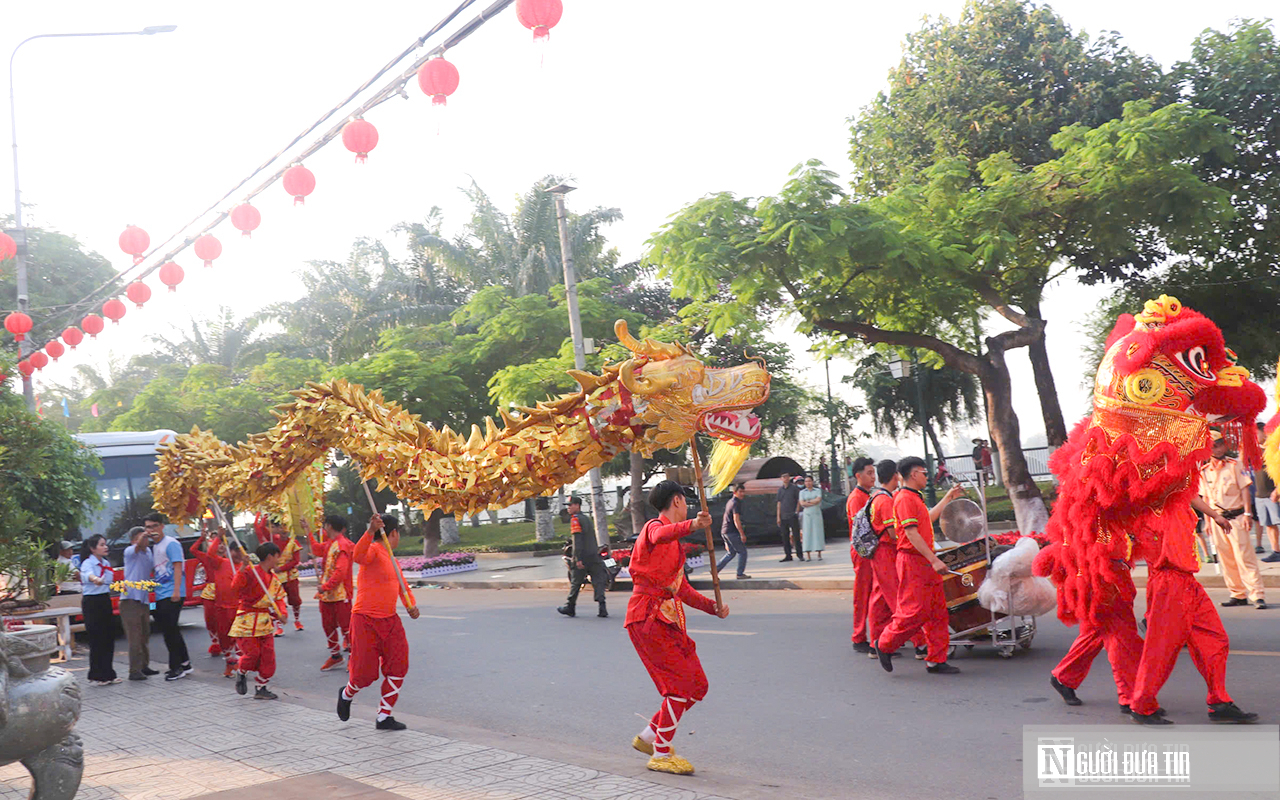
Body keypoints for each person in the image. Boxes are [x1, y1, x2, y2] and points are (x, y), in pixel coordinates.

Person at [625, 481, 730, 776]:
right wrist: (693, 524)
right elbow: (662, 533)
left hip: (666, 619)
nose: (687, 506)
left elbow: (681, 589)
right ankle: (660, 752)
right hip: (648, 617)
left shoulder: (673, 546)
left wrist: (713, 608)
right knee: (679, 687)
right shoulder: (654, 528)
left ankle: (648, 737)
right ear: (677, 501)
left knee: (697, 685)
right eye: (685, 502)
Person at [1128, 497, 1257, 724]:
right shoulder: (1151, 501)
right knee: (1162, 648)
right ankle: (1141, 705)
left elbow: (1188, 492)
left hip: (1187, 581)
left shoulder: (1178, 493)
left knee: (1215, 639)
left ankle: (1219, 701)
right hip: (1169, 584)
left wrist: (1215, 515)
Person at [877, 457, 965, 675]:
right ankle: (884, 644)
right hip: (913, 561)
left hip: (923, 560)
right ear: (914, 474)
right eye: (924, 473)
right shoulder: (905, 498)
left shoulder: (913, 497)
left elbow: (928, 518)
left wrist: (947, 498)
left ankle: (936, 659)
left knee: (937, 612)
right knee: (913, 611)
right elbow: (911, 533)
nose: (927, 476)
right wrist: (934, 560)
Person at [338, 513, 420, 731]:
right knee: (364, 675)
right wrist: (370, 531)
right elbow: (357, 555)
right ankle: (347, 694)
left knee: (398, 666)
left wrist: (411, 606)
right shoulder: (373, 550)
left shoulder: (392, 559)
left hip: (390, 621)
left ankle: (384, 715)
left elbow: (403, 587)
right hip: (365, 620)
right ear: (393, 533)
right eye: (399, 533)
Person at [1199, 430, 1266, 609]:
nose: (1218, 449)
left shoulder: (1234, 465)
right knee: (1226, 558)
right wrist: (1207, 522)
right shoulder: (1204, 471)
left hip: (1236, 517)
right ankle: (1237, 593)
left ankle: (1257, 594)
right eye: (1213, 446)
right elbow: (1205, 498)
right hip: (1217, 520)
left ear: (1225, 445)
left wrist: (1247, 513)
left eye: (1220, 445)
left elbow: (1244, 490)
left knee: (1245, 557)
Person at [230, 541, 286, 700]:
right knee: (252, 654)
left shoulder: (274, 579)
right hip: (246, 619)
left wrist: (282, 613)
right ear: (270, 556)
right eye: (277, 556)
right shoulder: (250, 571)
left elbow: (279, 599)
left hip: (264, 622)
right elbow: (235, 587)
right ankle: (241, 671)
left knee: (269, 656)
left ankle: (261, 686)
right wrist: (242, 567)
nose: (278, 560)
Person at [145, 512, 192, 681]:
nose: (150, 531)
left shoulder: (170, 543)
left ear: (161, 526)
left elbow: (178, 567)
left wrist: (177, 591)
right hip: (160, 593)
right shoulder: (155, 546)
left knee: (170, 631)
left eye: (153, 526)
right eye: (147, 528)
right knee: (170, 630)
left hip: (172, 592)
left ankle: (176, 667)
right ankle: (185, 663)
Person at [192, 528, 245, 678]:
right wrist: (218, 536)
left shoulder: (246, 567)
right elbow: (208, 554)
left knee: (240, 638)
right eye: (235, 551)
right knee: (224, 637)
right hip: (221, 607)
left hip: (239, 608)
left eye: (241, 551)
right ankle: (230, 663)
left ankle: (241, 665)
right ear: (231, 551)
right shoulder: (220, 562)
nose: (238, 554)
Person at [309, 515, 354, 671]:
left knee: (346, 627)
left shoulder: (343, 545)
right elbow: (315, 549)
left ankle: (353, 658)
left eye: (324, 526)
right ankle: (336, 656)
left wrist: (326, 586)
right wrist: (308, 532)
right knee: (328, 626)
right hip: (327, 595)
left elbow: (341, 572)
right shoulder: (330, 544)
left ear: (328, 526)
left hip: (341, 595)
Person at [558, 497, 610, 618]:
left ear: (577, 505)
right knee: (598, 581)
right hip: (594, 555)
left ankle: (570, 606)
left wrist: (578, 558)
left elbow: (578, 540)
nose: (568, 508)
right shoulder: (586, 518)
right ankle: (602, 607)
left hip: (584, 556)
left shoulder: (575, 520)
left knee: (576, 582)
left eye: (570, 505)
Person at [79, 534, 119, 686]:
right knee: (96, 638)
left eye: (105, 544)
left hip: (104, 599)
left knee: (108, 637)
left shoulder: (106, 563)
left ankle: (109, 673)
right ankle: (96, 675)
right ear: (93, 548)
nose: (105, 547)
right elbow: (87, 575)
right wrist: (95, 579)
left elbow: (109, 581)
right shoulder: (88, 563)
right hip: (92, 602)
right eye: (102, 545)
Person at [846, 457, 877, 652]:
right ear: (858, 475)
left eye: (873, 473)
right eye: (869, 473)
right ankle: (859, 637)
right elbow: (863, 530)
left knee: (873, 593)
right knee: (864, 594)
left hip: (870, 550)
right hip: (863, 550)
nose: (873, 477)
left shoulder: (867, 495)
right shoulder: (857, 498)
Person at [120, 526, 158, 681]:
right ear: (133, 540)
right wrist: (144, 535)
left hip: (143, 599)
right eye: (142, 537)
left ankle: (144, 666)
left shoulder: (149, 552)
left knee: (145, 634)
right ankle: (134, 670)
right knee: (134, 637)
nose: (146, 540)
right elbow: (137, 546)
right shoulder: (130, 552)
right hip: (130, 600)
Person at [268, 516, 305, 633]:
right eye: (281, 528)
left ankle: (297, 620)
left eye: (286, 528)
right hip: (276, 577)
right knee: (276, 600)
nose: (283, 531)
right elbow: (259, 528)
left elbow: (296, 560)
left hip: (290, 576)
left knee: (294, 599)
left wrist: (282, 568)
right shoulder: (273, 540)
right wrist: (263, 514)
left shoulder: (294, 542)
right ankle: (278, 626)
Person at [1254, 423, 1280, 563]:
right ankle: (1276, 551)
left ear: (1265, 433)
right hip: (1260, 494)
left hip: (1274, 493)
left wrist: (1277, 490)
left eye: (1256, 433)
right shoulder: (1255, 451)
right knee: (1269, 524)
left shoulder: (1275, 450)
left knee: (1277, 521)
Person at [716, 484, 751, 579]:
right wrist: (742, 534)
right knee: (742, 552)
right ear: (735, 492)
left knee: (731, 553)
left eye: (743, 492)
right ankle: (740, 574)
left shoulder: (730, 502)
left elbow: (725, 518)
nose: (742, 494)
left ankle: (715, 570)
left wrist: (724, 538)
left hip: (725, 530)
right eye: (740, 492)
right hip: (731, 531)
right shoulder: (735, 503)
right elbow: (736, 520)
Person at [775, 472, 803, 562]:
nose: (785, 478)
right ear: (781, 478)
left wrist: (797, 511)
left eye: (786, 476)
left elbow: (799, 500)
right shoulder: (780, 490)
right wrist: (778, 516)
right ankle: (788, 555)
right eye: (783, 477)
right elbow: (779, 503)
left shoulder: (794, 488)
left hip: (792, 515)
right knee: (785, 536)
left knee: (796, 536)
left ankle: (800, 554)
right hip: (783, 516)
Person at [798, 475, 825, 560]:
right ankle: (808, 554)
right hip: (807, 514)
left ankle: (819, 553)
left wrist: (808, 502)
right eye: (806, 481)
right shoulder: (802, 492)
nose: (808, 483)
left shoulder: (817, 490)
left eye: (809, 481)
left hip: (816, 513)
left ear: (812, 482)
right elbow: (802, 503)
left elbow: (818, 500)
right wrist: (811, 502)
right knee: (807, 533)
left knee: (818, 532)